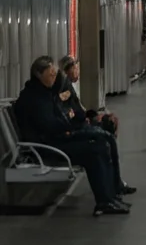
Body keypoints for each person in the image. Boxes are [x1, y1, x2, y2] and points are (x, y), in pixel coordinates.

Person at [13, 56, 129, 216]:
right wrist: (67, 119)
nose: (54, 78)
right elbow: (50, 124)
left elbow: (58, 119)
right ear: (39, 75)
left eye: (55, 74)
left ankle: (109, 197)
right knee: (94, 150)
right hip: (48, 147)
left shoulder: (43, 93)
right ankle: (105, 201)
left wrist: (66, 120)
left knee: (101, 144)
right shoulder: (35, 98)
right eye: (51, 75)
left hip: (56, 139)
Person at [56, 55, 136, 197]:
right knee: (108, 132)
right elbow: (71, 112)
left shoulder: (67, 85)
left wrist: (91, 115)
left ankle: (115, 182)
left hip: (80, 123)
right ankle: (114, 184)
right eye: (75, 68)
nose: (77, 72)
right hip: (77, 127)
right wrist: (90, 118)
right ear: (69, 70)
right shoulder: (64, 87)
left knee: (110, 127)